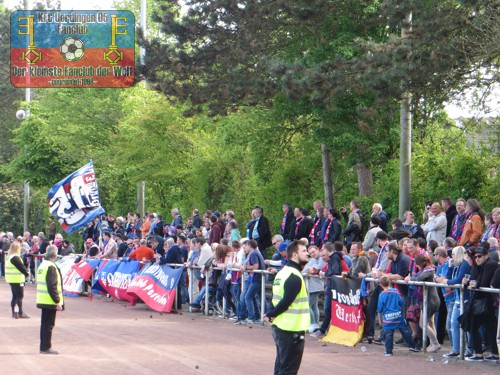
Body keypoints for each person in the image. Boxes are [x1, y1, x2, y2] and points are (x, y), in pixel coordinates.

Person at [264, 240, 310, 375]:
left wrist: (270, 314)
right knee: (288, 369)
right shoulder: (294, 276)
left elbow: (275, 298)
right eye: (304, 251)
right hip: (291, 328)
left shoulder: (282, 273)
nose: (307, 253)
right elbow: (286, 301)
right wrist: (271, 314)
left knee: (281, 366)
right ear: (294, 255)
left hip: (281, 326)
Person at [377, 275, 419, 356]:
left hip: (388, 317)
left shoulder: (382, 295)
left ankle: (389, 351)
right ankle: (412, 346)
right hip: (398, 315)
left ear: (381, 285)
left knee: (389, 333)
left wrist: (380, 319)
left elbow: (379, 308)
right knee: (405, 331)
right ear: (389, 282)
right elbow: (402, 303)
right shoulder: (396, 291)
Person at [37, 245, 64, 355]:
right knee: (48, 325)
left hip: (43, 299)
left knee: (45, 325)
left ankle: (44, 346)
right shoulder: (51, 266)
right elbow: (52, 285)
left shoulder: (43, 265)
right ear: (55, 255)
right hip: (49, 300)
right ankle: (45, 347)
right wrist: (57, 301)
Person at [5, 241, 30, 319]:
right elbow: (21, 267)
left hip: (12, 279)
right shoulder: (15, 257)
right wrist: (26, 273)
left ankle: (14, 313)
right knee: (19, 296)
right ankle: (20, 312)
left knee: (15, 296)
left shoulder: (10, 257)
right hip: (17, 279)